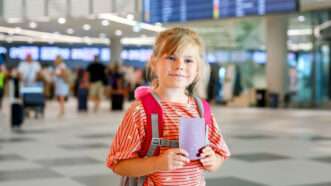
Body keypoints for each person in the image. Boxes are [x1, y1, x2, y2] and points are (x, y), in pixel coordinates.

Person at [106, 27, 230, 186]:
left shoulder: (201, 110)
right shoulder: (141, 111)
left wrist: (213, 161)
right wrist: (157, 163)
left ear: (198, 68)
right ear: (154, 63)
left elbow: (219, 154)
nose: (180, 65)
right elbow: (118, 164)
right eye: (171, 57)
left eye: (188, 60)